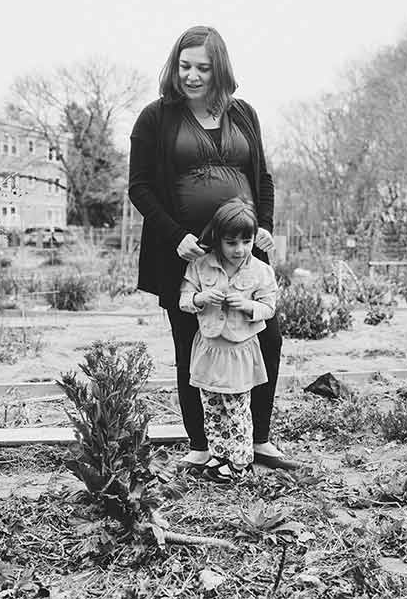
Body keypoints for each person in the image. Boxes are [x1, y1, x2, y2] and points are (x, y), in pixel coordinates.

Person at [128, 25, 297, 471]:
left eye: (203, 67)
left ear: (219, 69)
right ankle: (202, 446)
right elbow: (140, 187)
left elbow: (262, 178)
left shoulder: (244, 114)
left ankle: (258, 438)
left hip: (243, 250)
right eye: (185, 66)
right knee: (192, 343)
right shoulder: (156, 117)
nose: (193, 76)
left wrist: (264, 227)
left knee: (267, 338)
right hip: (186, 252)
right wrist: (174, 236)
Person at [179, 199, 278, 482]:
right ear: (218, 239)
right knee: (212, 405)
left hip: (239, 351)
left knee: (236, 407)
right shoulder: (200, 266)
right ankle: (220, 455)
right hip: (209, 349)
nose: (239, 249)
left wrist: (247, 306)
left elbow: (269, 308)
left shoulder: (261, 271)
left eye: (246, 241)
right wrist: (200, 299)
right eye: (231, 242)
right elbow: (184, 299)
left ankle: (240, 462)